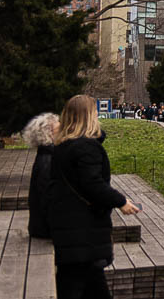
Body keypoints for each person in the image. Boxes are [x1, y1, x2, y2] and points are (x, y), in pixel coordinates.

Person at [48, 95, 141, 299]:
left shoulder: (62, 147)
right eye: (95, 112)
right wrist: (121, 201)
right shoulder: (86, 148)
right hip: (84, 232)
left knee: (80, 284)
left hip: (70, 229)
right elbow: (93, 184)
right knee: (79, 287)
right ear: (88, 116)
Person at [22, 113, 60, 240]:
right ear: (48, 134)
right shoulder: (48, 160)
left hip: (41, 226)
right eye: (58, 130)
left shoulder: (46, 155)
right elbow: (48, 198)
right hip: (45, 229)